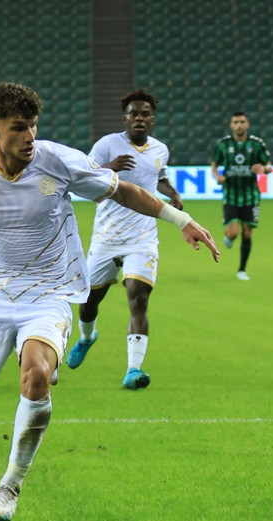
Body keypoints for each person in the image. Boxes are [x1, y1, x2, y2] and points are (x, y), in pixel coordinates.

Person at [0, 82, 219, 521]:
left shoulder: (56, 159)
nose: (29, 136)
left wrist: (182, 220)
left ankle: (10, 486)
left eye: (33, 126)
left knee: (38, 375)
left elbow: (123, 190)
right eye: (18, 128)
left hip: (50, 293)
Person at [66, 89, 184, 390]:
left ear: (152, 119)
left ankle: (134, 369)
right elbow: (82, 175)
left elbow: (158, 177)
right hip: (106, 237)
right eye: (134, 114)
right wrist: (109, 168)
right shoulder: (107, 145)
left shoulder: (160, 150)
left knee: (138, 299)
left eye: (145, 114)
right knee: (89, 302)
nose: (139, 119)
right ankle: (87, 337)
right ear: (125, 118)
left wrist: (172, 193)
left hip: (142, 237)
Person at [211, 111, 272, 281]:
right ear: (231, 125)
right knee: (232, 234)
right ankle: (228, 236)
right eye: (236, 122)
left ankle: (242, 270)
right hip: (230, 194)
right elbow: (214, 165)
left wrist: (265, 169)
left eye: (242, 122)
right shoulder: (224, 145)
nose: (239, 125)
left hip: (251, 196)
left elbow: (268, 164)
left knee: (247, 232)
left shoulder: (257, 144)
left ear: (248, 124)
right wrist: (218, 177)